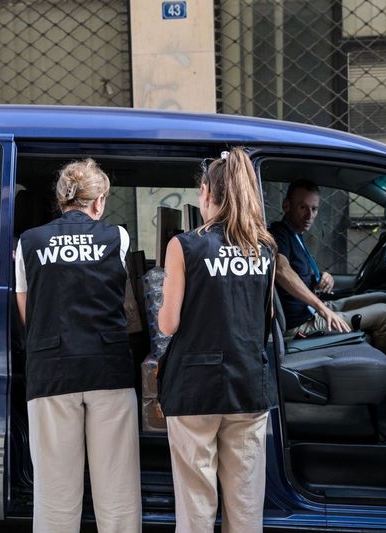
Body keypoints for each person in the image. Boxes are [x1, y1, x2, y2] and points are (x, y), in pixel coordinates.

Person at [15, 158, 141, 533]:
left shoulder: (29, 242)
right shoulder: (118, 237)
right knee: (117, 489)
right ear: (99, 201)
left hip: (51, 371)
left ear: (60, 198)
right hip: (108, 370)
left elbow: (28, 314)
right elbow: (124, 302)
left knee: (55, 492)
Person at [158, 148, 277, 533]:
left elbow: (169, 324)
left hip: (195, 388)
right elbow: (264, 319)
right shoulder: (264, 248)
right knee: (244, 505)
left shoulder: (185, 245)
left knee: (195, 507)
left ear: (207, 191)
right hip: (247, 385)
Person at [269, 179, 386, 391]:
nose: (310, 215)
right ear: (286, 206)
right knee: (384, 313)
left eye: (315, 208)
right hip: (300, 325)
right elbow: (281, 270)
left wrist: (320, 278)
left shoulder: (296, 236)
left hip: (312, 310)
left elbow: (298, 275)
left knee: (382, 298)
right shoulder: (279, 234)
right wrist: (322, 308)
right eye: (303, 207)